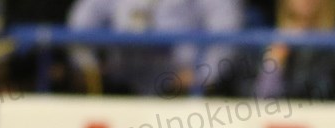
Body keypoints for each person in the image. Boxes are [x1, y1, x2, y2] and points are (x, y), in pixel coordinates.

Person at [67, 0, 245, 96]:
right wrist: (89, 67)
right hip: (124, 81)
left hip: (179, 84)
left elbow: (227, 30)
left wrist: (202, 76)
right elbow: (80, 24)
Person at [253, 0, 335, 101]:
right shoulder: (273, 41)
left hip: (334, 120)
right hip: (289, 120)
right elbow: (263, 103)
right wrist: (275, 63)